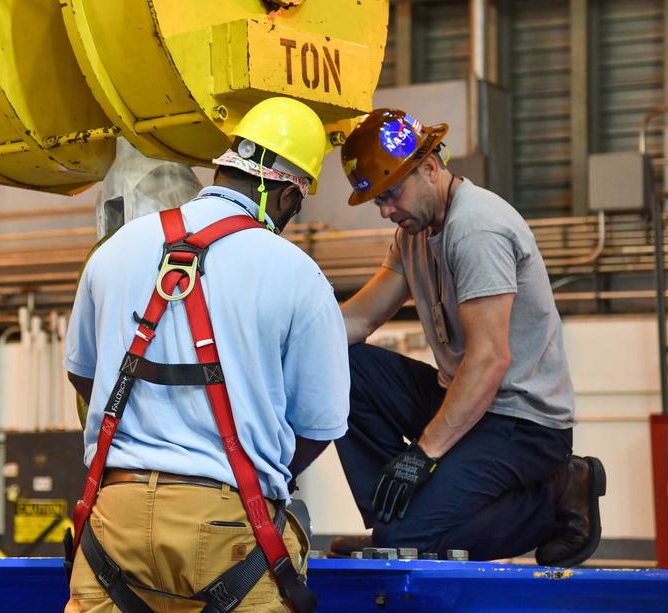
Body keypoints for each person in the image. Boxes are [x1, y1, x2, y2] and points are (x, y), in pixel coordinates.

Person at [64, 97, 349, 612]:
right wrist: (250, 465)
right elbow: (319, 426)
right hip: (228, 529)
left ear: (223, 167)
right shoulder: (297, 274)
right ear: (287, 196)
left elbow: (85, 377)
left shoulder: (115, 250)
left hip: (113, 519)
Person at [332, 108, 604, 566]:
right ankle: (394, 522)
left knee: (412, 539)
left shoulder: (477, 229)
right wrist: (286, 347)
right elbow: (357, 322)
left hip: (522, 421)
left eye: (391, 194)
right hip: (463, 399)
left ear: (430, 168)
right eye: (378, 200)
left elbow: (490, 360)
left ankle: (559, 493)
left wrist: (423, 454)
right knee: (343, 365)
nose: (386, 211)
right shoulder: (413, 234)